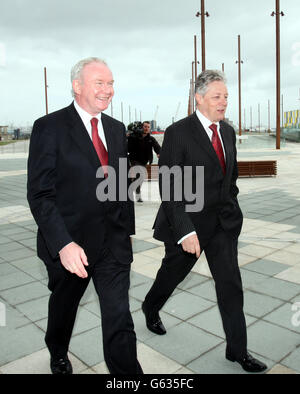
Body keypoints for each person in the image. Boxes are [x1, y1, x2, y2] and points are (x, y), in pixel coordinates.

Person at [142, 70, 267, 373]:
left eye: (226, 96)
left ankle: (237, 351)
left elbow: (230, 177)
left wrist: (232, 208)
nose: (223, 102)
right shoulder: (178, 132)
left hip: (223, 225)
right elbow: (170, 186)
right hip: (188, 226)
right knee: (172, 275)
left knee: (231, 286)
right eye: (217, 96)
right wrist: (185, 231)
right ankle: (151, 306)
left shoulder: (227, 132)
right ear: (199, 98)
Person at [27, 57, 143, 375]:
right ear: (77, 86)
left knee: (119, 315)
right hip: (71, 248)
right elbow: (40, 194)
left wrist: (125, 232)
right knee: (65, 307)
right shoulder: (49, 128)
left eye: (111, 83)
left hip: (112, 245)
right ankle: (58, 350)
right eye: (100, 83)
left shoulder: (117, 130)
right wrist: (63, 244)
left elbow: (121, 184)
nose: (108, 91)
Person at [128, 121, 161, 202]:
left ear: (149, 129)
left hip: (144, 161)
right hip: (134, 160)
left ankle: (135, 190)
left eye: (148, 127)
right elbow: (127, 146)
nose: (146, 128)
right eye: (145, 126)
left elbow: (157, 147)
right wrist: (129, 136)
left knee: (140, 177)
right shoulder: (134, 137)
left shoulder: (151, 139)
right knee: (139, 174)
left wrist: (159, 153)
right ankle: (135, 193)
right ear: (142, 127)